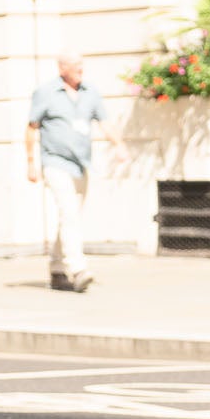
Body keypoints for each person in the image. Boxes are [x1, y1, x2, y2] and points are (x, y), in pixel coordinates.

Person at [26, 54, 125, 292]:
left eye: (81, 65)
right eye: (75, 65)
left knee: (69, 217)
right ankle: (78, 269)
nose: (80, 69)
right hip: (54, 162)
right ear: (62, 68)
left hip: (80, 164)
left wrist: (119, 144)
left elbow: (105, 122)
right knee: (69, 213)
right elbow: (31, 128)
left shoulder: (90, 92)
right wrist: (31, 163)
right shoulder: (46, 92)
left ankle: (57, 270)